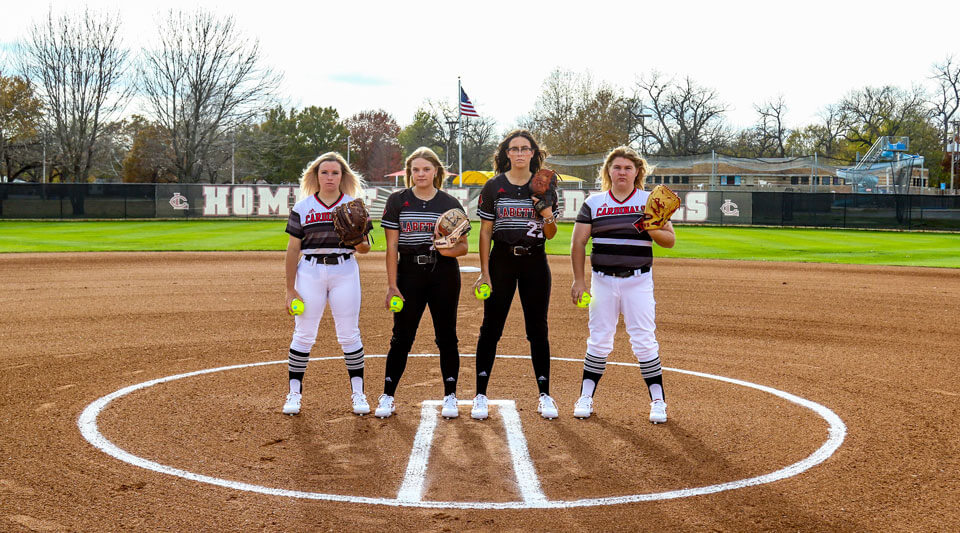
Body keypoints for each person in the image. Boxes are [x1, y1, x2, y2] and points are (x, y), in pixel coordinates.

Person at [570, 146, 675, 423]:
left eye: (628, 168)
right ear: (608, 171)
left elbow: (669, 240)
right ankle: (586, 396)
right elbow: (578, 242)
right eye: (616, 167)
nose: (622, 172)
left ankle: (658, 401)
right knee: (599, 338)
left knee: (643, 340)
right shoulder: (594, 203)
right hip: (602, 281)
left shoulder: (650, 201)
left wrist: (651, 225)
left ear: (637, 172)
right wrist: (579, 281)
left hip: (638, 281)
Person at [375, 147, 470, 419]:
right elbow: (391, 247)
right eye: (415, 170)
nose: (420, 174)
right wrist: (392, 285)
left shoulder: (449, 202)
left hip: (443, 273)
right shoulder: (398, 200)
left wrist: (444, 248)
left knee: (447, 337)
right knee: (401, 337)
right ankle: (387, 395)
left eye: (426, 169)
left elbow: (463, 247)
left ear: (436, 172)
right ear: (409, 173)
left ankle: (450, 395)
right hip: (408, 274)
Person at [472, 129, 559, 420]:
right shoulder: (494, 186)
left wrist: (546, 212)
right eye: (514, 149)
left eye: (525, 148)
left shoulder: (544, 185)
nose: (520, 153)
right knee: (491, 328)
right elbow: (485, 233)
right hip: (501, 262)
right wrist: (484, 273)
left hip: (534, 261)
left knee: (538, 329)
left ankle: (545, 395)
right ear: (506, 154)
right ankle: (480, 395)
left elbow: (551, 234)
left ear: (533, 153)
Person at [282, 152, 372, 416]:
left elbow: (365, 248)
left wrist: (356, 237)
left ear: (342, 176)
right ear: (316, 176)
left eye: (335, 173)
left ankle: (358, 393)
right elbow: (292, 250)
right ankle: (294, 394)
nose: (330, 177)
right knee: (303, 333)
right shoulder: (302, 208)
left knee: (349, 333)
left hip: (345, 270)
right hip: (309, 272)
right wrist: (290, 289)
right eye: (324, 172)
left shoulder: (355, 206)